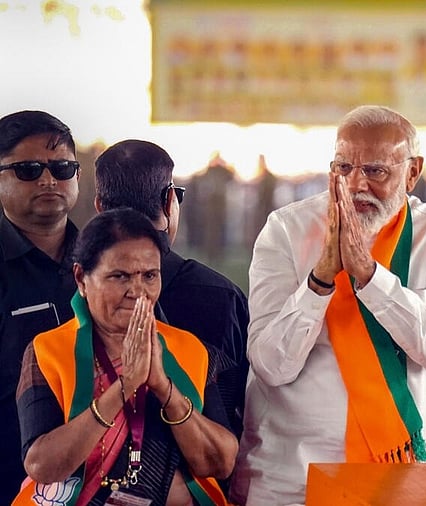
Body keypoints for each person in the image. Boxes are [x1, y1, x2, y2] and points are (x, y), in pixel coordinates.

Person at [231, 105, 426, 505]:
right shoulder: (286, 230)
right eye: (343, 168)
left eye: (375, 171)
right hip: (295, 481)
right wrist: (320, 281)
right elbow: (271, 366)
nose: (356, 185)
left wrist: (370, 277)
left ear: (412, 172)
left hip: (412, 480)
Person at [14, 208, 237, 504]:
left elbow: (220, 464)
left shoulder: (189, 350)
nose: (138, 291)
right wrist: (125, 386)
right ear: (81, 279)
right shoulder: (49, 351)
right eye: (119, 276)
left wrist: (163, 388)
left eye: (149, 275)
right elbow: (42, 466)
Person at [93, 139, 250, 439]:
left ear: (100, 207)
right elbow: (244, 408)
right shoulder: (221, 296)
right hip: (203, 476)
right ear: (169, 202)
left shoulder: (75, 291)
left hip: (93, 477)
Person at [0, 110, 80, 504]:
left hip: (101, 486)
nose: (49, 179)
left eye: (62, 167)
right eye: (28, 169)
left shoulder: (108, 264)